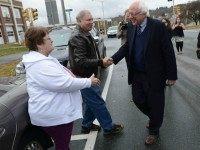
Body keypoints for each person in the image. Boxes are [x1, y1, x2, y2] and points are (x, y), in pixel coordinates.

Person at [22, 27, 101, 150]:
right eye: (48, 39)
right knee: (62, 145)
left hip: (53, 112)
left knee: (62, 144)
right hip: (54, 115)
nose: (51, 40)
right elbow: (64, 84)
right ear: (39, 44)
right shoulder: (40, 64)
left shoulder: (42, 60)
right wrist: (88, 82)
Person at [110, 0, 177, 145]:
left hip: (155, 74)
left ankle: (154, 131)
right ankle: (155, 118)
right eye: (129, 14)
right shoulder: (132, 26)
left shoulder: (157, 26)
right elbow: (127, 46)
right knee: (138, 99)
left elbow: (168, 51)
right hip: (138, 73)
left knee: (156, 102)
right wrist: (113, 58)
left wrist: (172, 75)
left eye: (132, 14)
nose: (129, 17)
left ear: (143, 14)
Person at [68, 10, 124, 137]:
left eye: (92, 19)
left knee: (91, 102)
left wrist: (100, 63)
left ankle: (86, 125)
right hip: (85, 77)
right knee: (98, 102)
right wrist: (100, 62)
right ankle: (109, 128)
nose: (91, 22)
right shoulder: (78, 37)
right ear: (79, 21)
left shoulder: (84, 33)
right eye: (88, 20)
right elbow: (80, 61)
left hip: (89, 75)